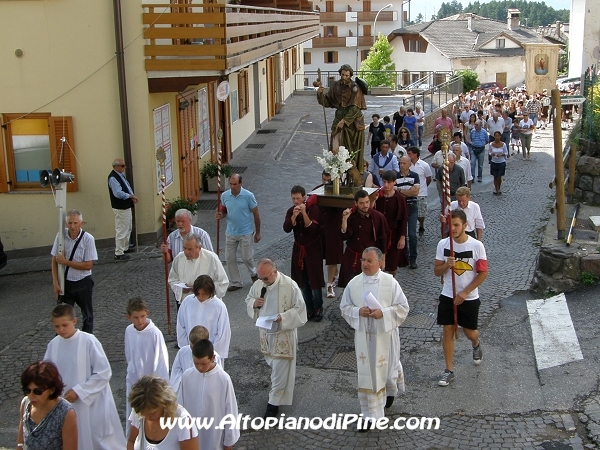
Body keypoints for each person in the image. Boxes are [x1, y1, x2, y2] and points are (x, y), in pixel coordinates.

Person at [340, 247, 409, 430]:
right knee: (368, 376)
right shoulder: (354, 284)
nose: (365, 264)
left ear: (380, 262)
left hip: (386, 336)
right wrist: (358, 311)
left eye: (369, 261)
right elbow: (344, 307)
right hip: (364, 338)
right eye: (363, 260)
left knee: (386, 371)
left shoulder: (390, 283)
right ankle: (370, 415)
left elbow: (403, 308)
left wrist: (383, 314)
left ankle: (390, 391)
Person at [44, 303, 126, 449]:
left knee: (94, 438)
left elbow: (103, 372)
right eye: (57, 327)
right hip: (63, 401)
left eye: (65, 325)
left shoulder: (88, 341)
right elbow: (47, 374)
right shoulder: (53, 345)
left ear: (74, 321)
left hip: (90, 403)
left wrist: (80, 391)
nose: (61, 330)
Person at [245, 259, 307, 418]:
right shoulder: (259, 285)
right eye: (260, 278)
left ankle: (273, 405)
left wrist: (283, 317)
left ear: (274, 272)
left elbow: (300, 310)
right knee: (275, 367)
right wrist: (254, 303)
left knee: (279, 370)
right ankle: (277, 393)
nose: (262, 282)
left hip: (283, 335)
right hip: (265, 334)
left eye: (265, 278)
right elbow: (249, 298)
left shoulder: (290, 285)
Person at [434, 210, 488, 387]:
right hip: (448, 294)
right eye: (451, 225)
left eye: (457, 225)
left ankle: (476, 343)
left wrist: (465, 293)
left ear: (465, 226)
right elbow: (436, 271)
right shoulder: (443, 244)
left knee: (468, 331)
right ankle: (448, 370)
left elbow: (483, 273)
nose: (453, 228)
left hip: (469, 297)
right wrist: (445, 266)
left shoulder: (476, 246)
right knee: (448, 330)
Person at [178, 339, 239, 450]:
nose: (200, 367)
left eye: (204, 364)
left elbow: (230, 409)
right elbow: (180, 406)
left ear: (212, 358)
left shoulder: (223, 379)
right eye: (196, 363)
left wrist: (229, 439)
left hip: (215, 432)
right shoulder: (187, 376)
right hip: (192, 430)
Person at [124, 297, 169, 434]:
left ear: (147, 313)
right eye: (136, 317)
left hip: (151, 385)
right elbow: (129, 355)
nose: (140, 321)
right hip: (133, 381)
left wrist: (159, 387)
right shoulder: (129, 331)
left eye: (142, 316)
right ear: (129, 317)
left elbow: (161, 362)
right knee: (134, 416)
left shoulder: (155, 333)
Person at [51, 210, 97, 334]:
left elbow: (88, 265)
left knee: (87, 314)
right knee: (63, 314)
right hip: (66, 282)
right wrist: (55, 282)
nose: (72, 226)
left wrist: (65, 262)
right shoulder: (61, 237)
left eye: (75, 223)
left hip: (83, 281)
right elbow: (54, 260)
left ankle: (87, 339)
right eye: (70, 223)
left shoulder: (88, 239)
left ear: (81, 223)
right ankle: (62, 338)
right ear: (66, 224)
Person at [283, 185, 325, 321]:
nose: (296, 201)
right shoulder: (291, 210)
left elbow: (312, 229)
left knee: (315, 280)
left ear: (304, 197)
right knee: (302, 280)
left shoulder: (314, 209)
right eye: (293, 198)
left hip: (312, 249)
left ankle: (319, 307)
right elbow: (287, 228)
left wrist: (304, 213)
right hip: (299, 248)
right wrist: (294, 217)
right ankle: (309, 308)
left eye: (298, 198)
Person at [215, 174, 261, 291]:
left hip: (245, 232)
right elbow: (224, 211)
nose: (233, 186)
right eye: (231, 184)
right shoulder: (225, 196)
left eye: (235, 184)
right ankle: (236, 281)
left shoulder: (248, 196)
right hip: (230, 232)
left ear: (240, 183)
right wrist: (221, 215)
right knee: (229, 258)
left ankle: (253, 273)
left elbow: (256, 214)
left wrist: (258, 232)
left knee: (246, 257)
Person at [316, 64, 367, 170]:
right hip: (339, 117)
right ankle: (336, 170)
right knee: (335, 149)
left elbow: (355, 108)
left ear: (350, 76)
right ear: (340, 74)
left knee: (350, 151)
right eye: (343, 75)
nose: (344, 77)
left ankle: (348, 173)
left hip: (352, 122)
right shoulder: (335, 85)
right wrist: (320, 94)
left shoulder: (355, 88)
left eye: (347, 75)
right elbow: (328, 102)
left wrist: (344, 121)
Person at [18, 361, 77, 450]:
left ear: (52, 390)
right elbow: (20, 442)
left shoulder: (65, 413)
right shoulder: (26, 403)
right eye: (27, 390)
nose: (31, 396)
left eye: (37, 391)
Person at [128, 375, 199, 450]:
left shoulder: (183, 421)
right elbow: (131, 441)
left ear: (165, 404)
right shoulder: (139, 410)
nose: (147, 418)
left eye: (152, 413)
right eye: (143, 414)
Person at [339, 190, 389, 287]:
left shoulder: (378, 217)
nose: (365, 205)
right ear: (356, 203)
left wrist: (383, 260)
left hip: (370, 259)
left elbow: (382, 240)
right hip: (352, 257)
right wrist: (344, 219)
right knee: (350, 286)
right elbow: (344, 236)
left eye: (367, 202)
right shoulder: (351, 217)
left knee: (369, 287)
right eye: (361, 203)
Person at [176, 275, 231, 357]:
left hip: (210, 353)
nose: (200, 297)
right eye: (198, 294)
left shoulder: (219, 306)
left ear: (210, 292)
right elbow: (181, 326)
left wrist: (211, 352)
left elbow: (223, 333)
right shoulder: (187, 302)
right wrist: (186, 347)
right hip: (190, 350)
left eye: (204, 294)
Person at [168, 234, 229, 306]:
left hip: (208, 304)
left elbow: (223, 282)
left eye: (190, 249)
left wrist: (204, 289)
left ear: (199, 248)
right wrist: (181, 289)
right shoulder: (179, 258)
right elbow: (172, 279)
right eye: (184, 248)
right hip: (187, 303)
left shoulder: (211, 258)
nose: (186, 252)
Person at [170, 325, 222, 393]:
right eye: (192, 346)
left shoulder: (214, 356)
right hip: (187, 388)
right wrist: (183, 382)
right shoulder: (182, 352)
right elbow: (176, 372)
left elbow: (218, 375)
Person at [375, 171, 409, 276]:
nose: (386, 185)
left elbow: (403, 218)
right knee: (378, 262)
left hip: (393, 236)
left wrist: (402, 237)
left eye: (389, 182)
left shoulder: (400, 199)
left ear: (394, 182)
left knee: (393, 264)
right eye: (384, 182)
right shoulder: (378, 197)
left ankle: (392, 283)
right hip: (379, 235)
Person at [108, 158, 137, 260]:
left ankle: (124, 247)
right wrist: (130, 196)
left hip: (126, 206)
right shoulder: (113, 178)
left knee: (128, 228)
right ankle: (119, 252)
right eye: (122, 166)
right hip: (120, 207)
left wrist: (131, 196)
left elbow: (127, 187)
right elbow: (118, 193)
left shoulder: (120, 175)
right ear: (116, 166)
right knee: (121, 229)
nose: (124, 167)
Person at [395, 156, 420, 269]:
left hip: (412, 206)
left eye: (404, 163)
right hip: (401, 207)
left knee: (412, 234)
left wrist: (400, 190)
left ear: (409, 164)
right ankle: (405, 256)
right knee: (402, 233)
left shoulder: (415, 176)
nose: (402, 165)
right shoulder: (395, 176)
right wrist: (408, 191)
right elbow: (396, 194)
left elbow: (415, 193)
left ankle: (413, 258)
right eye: (400, 163)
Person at [406, 146, 432, 237]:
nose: (408, 155)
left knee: (421, 213)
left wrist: (423, 187)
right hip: (409, 193)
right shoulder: (407, 165)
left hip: (421, 193)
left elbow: (428, 178)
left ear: (415, 154)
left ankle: (421, 224)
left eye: (409, 154)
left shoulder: (424, 165)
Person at [489, 131, 509, 195]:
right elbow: (489, 152)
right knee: (495, 176)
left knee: (499, 176)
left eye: (498, 136)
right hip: (494, 162)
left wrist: (502, 154)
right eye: (495, 136)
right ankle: (496, 188)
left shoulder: (503, 144)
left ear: (500, 136)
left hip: (501, 162)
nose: (497, 137)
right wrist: (492, 154)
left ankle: (499, 188)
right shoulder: (491, 144)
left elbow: (506, 153)